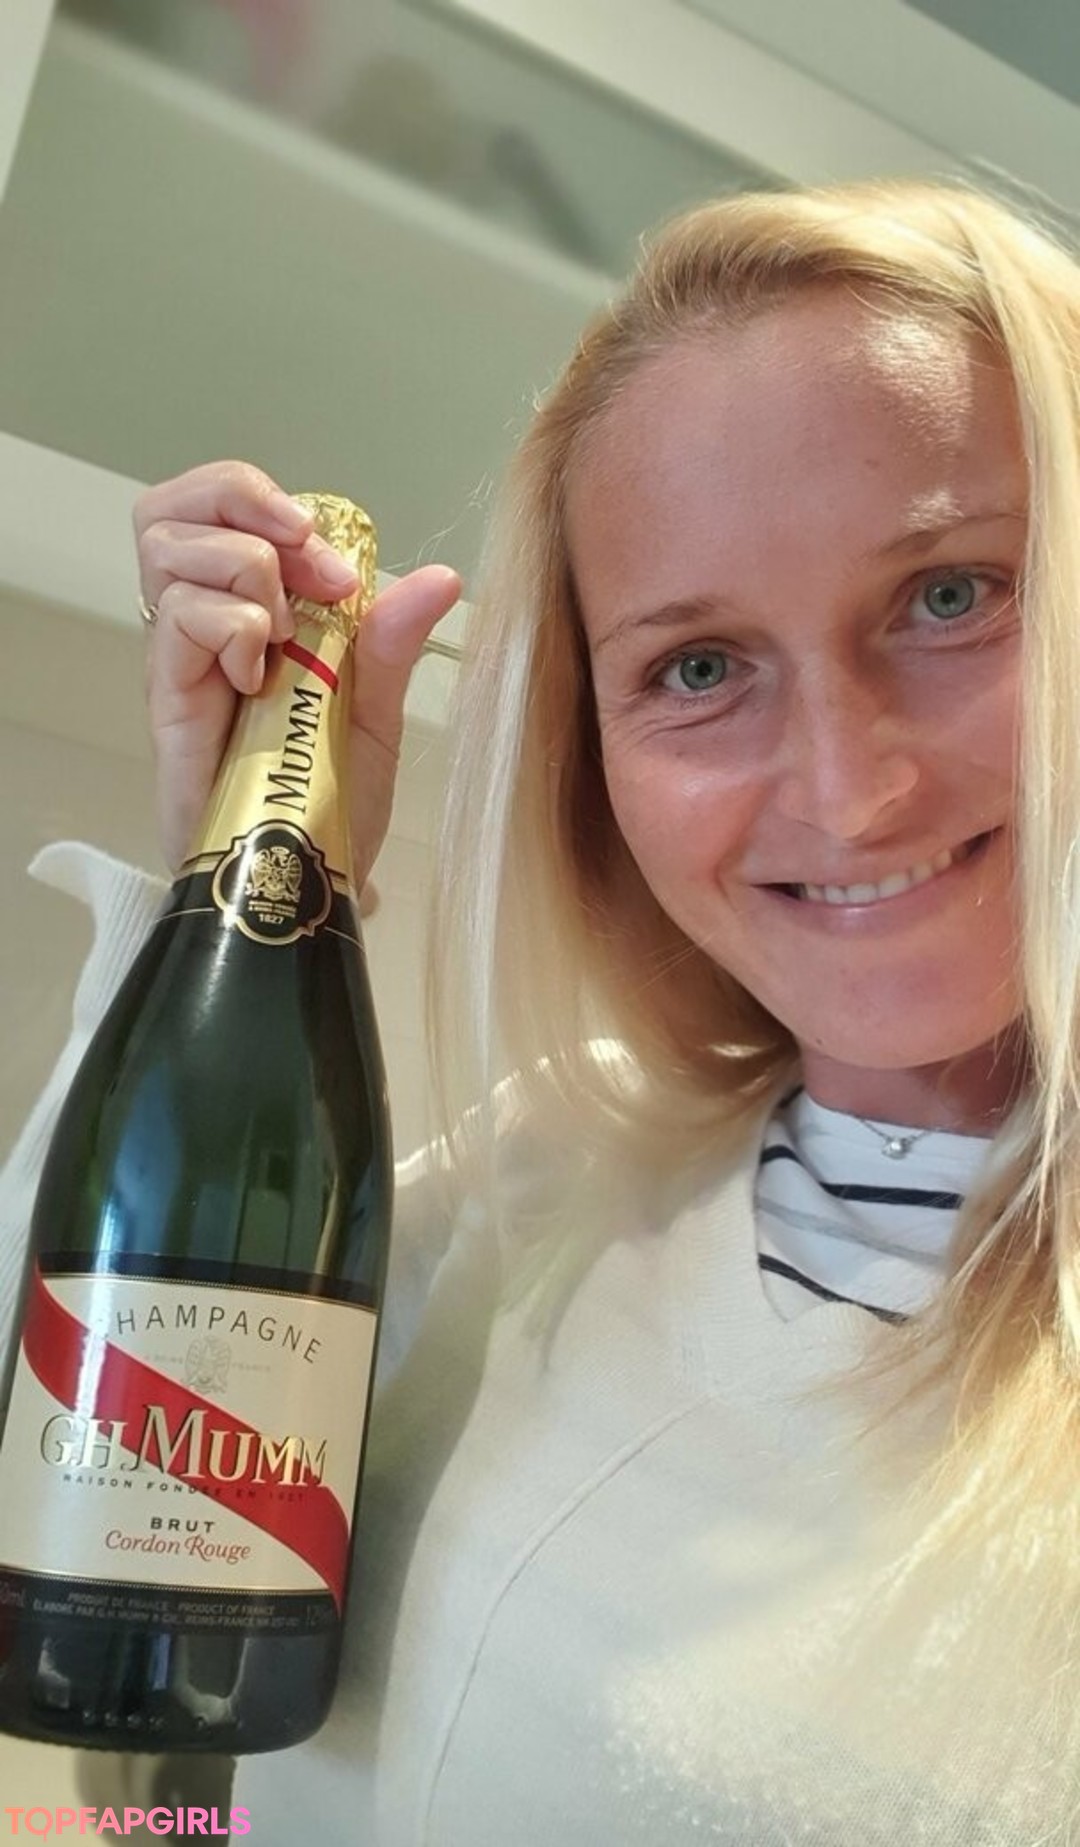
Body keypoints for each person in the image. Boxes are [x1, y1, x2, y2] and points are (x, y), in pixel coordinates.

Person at [3, 171, 1080, 1844]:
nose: (850, 788)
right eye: (698, 667)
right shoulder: (563, 1161)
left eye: (953, 594)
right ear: (597, 762)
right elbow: (87, 1525)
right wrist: (235, 857)